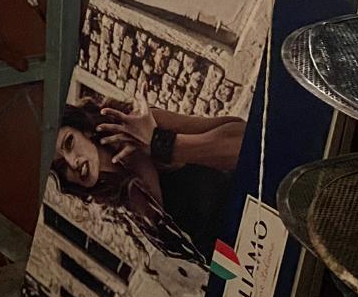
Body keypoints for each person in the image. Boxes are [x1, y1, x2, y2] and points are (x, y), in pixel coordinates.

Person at [50, 95, 246, 261]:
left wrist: (160, 144)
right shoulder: (120, 200)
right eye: (61, 166)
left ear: (85, 130)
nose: (72, 162)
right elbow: (203, 251)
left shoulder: (146, 127)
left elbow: (243, 138)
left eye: (69, 143)